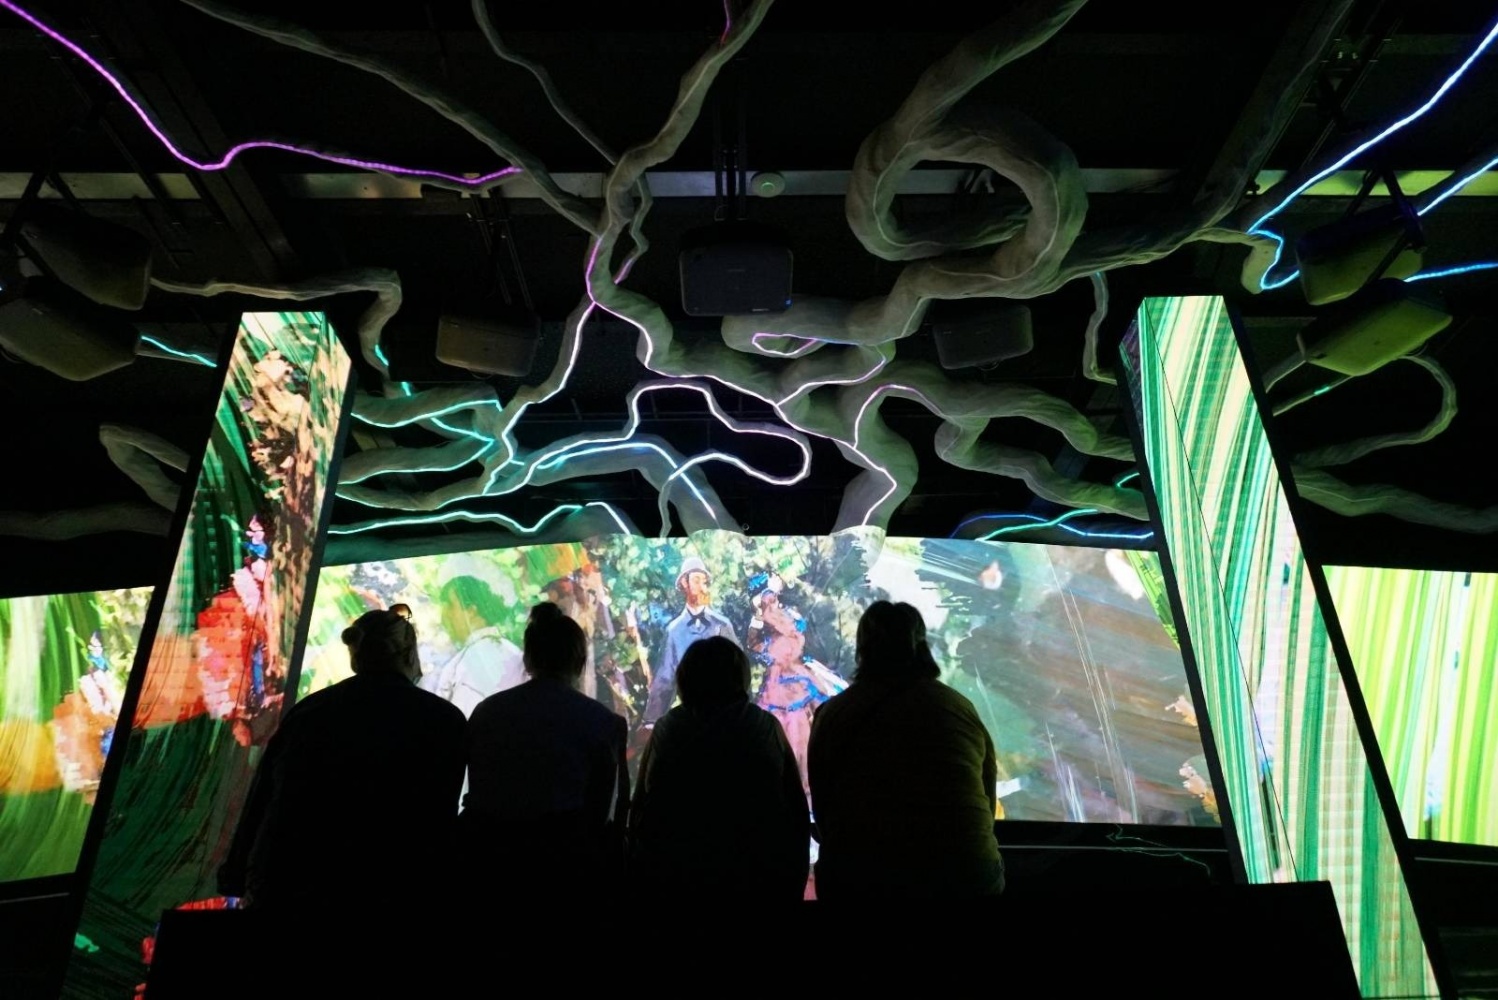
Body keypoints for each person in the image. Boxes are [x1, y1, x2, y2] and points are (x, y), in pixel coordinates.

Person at [217, 605, 467, 913]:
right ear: (409, 655)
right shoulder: (444, 720)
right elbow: (439, 819)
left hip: (293, 885)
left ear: (355, 656)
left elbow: (265, 797)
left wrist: (236, 874)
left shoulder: (310, 711)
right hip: (394, 890)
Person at [807, 601, 1005, 902]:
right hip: (967, 881)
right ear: (921, 646)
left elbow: (823, 814)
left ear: (862, 649)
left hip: (861, 883)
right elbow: (987, 805)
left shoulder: (834, 714)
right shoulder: (957, 707)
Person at [462, 603, 630, 901]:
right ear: (580, 661)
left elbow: (479, 789)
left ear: (528, 659)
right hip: (567, 868)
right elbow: (600, 812)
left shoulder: (488, 712)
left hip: (489, 863)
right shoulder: (602, 721)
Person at [629, 636, 809, 903]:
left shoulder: (669, 729)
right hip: (756, 883)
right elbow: (795, 808)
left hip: (678, 883)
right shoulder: (763, 726)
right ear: (740, 676)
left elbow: (641, 808)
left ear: (685, 677)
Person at [642, 556, 736, 724]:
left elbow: (739, 673)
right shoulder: (674, 631)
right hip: (690, 720)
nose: (702, 587)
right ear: (684, 584)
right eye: (696, 580)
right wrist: (651, 721)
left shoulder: (722, 625)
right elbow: (664, 681)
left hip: (724, 718)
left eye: (704, 582)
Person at [420, 570, 526, 718]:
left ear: (471, 611)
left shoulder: (470, 662)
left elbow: (463, 720)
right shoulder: (513, 652)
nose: (444, 617)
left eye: (450, 606)